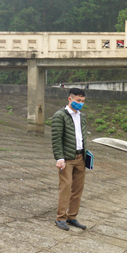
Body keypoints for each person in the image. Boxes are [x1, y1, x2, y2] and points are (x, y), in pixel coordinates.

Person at [52, 88, 89, 230]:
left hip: (81, 157)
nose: (80, 103)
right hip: (67, 158)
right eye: (78, 101)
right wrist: (59, 158)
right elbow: (56, 139)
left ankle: (72, 216)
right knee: (65, 187)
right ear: (70, 99)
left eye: (82, 101)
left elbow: (82, 136)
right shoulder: (60, 116)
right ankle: (60, 217)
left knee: (78, 189)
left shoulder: (82, 116)